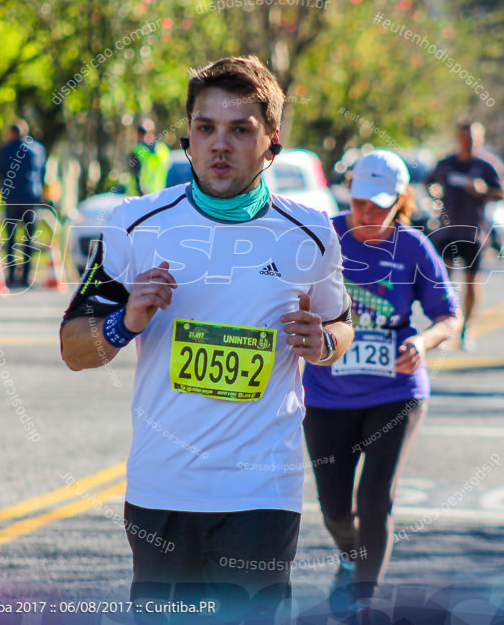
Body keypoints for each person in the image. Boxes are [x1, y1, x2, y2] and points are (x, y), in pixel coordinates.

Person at [59, 56, 354, 622]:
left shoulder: (311, 234)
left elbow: (341, 325)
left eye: (240, 129)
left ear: (272, 144)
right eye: (205, 128)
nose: (220, 144)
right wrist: (126, 322)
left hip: (261, 491)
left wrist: (322, 344)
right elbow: (75, 350)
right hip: (162, 488)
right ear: (188, 139)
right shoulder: (135, 223)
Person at [302, 150, 462, 613]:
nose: (366, 214)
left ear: (401, 201)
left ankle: (362, 600)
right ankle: (352, 559)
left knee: (375, 500)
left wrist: (425, 343)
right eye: (359, 204)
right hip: (327, 393)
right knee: (334, 508)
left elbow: (449, 316)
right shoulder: (323, 235)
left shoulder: (413, 247)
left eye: (378, 206)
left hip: (396, 391)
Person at [424, 121, 504, 350]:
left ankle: (467, 329)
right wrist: (436, 197)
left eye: (473, 138)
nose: (468, 142)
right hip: (448, 231)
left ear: (479, 139)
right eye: (464, 137)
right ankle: (443, 328)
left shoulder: (486, 166)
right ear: (458, 138)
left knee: (471, 283)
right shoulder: (446, 164)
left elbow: (502, 193)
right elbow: (428, 182)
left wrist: (483, 191)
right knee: (445, 281)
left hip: (474, 233)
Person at [0, 119, 47, 288]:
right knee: (29, 239)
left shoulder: (6, 149)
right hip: (30, 198)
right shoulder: (38, 150)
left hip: (12, 198)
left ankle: (11, 275)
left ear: (12, 133)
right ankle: (25, 276)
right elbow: (41, 173)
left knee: (10, 238)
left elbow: (1, 171)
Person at [128, 118, 171, 195]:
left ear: (153, 133)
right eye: (140, 132)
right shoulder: (137, 152)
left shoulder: (162, 150)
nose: (143, 136)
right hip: (139, 198)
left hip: (157, 196)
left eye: (144, 132)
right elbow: (135, 177)